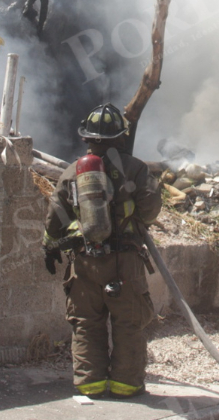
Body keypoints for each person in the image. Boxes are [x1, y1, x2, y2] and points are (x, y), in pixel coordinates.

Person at [43, 103, 162, 397]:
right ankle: (126, 385)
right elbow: (150, 211)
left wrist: (49, 247)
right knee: (129, 323)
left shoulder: (72, 172)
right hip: (125, 262)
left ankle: (90, 384)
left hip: (84, 263)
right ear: (122, 137)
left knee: (86, 323)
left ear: (87, 138)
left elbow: (55, 219)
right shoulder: (135, 168)